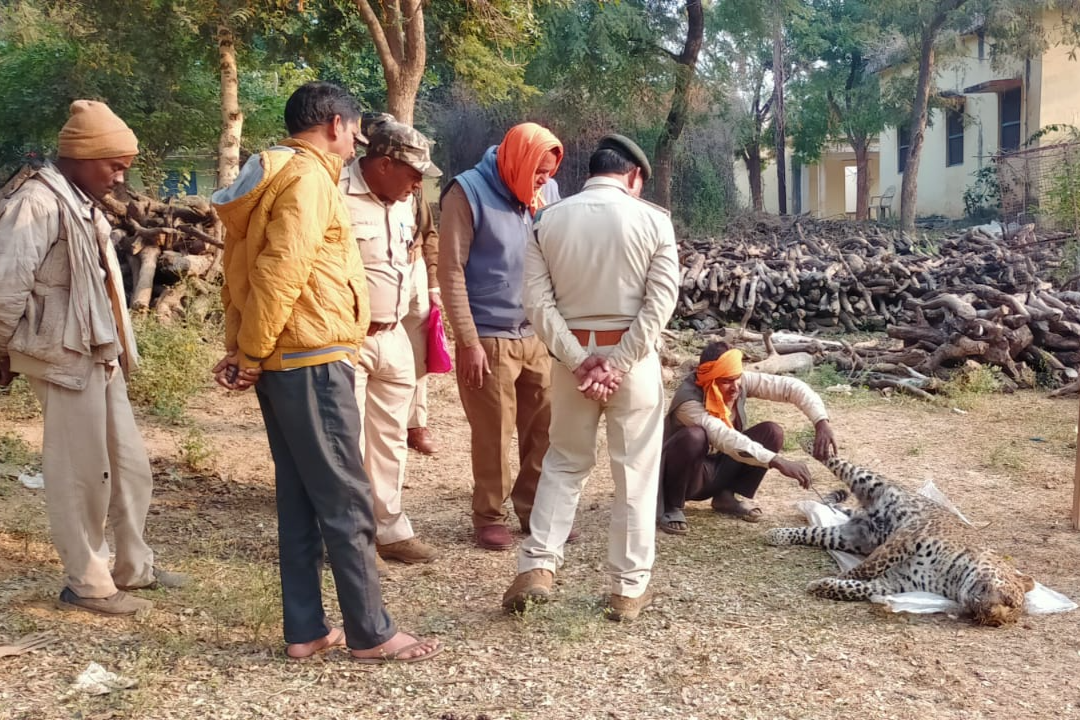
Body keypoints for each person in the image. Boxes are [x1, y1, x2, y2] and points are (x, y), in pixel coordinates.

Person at [210, 82, 441, 663]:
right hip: (311, 362)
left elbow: (244, 267)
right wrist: (252, 353)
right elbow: (281, 272)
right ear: (335, 125)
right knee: (345, 498)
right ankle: (370, 631)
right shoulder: (310, 179)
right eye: (353, 132)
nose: (353, 145)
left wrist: (244, 347)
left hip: (287, 360)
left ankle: (306, 629)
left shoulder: (272, 172)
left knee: (301, 498)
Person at [0, 100, 187, 616]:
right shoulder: (36, 202)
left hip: (99, 352)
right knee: (80, 472)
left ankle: (132, 567)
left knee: (129, 467)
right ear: (80, 156)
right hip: (62, 355)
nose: (121, 174)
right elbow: (6, 282)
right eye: (114, 163)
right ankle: (87, 582)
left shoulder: (82, 200)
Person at [501, 134, 679, 622]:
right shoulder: (654, 221)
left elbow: (536, 304)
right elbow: (660, 304)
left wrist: (581, 360)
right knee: (635, 475)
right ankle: (626, 588)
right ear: (634, 176)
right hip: (633, 361)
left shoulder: (549, 220)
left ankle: (538, 565)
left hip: (570, 361)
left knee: (563, 462)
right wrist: (618, 362)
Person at [438, 122, 564, 552]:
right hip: (488, 338)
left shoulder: (546, 193)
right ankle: (488, 515)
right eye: (538, 173)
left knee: (545, 429)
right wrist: (468, 341)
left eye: (549, 174)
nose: (544, 183)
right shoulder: (466, 193)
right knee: (494, 433)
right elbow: (450, 269)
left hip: (536, 333)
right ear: (518, 161)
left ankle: (535, 512)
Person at [339, 117, 441, 568]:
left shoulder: (404, 201)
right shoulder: (334, 193)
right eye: (413, 173)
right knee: (348, 440)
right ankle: (353, 541)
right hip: (347, 337)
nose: (419, 184)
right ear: (382, 164)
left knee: (389, 440)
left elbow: (415, 250)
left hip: (393, 334)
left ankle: (390, 529)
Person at [656, 341, 837, 535]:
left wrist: (821, 422)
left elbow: (790, 387)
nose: (735, 388)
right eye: (725, 381)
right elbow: (723, 436)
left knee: (772, 432)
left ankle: (725, 496)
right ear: (709, 379)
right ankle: (671, 506)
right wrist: (777, 461)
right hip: (690, 479)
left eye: (736, 379)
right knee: (695, 436)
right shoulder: (689, 402)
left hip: (718, 469)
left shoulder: (738, 383)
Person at [403, 188, 441, 455]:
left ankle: (415, 424)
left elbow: (429, 234)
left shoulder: (414, 191)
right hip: (372, 275)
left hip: (413, 271)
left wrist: (433, 283)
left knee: (418, 353)